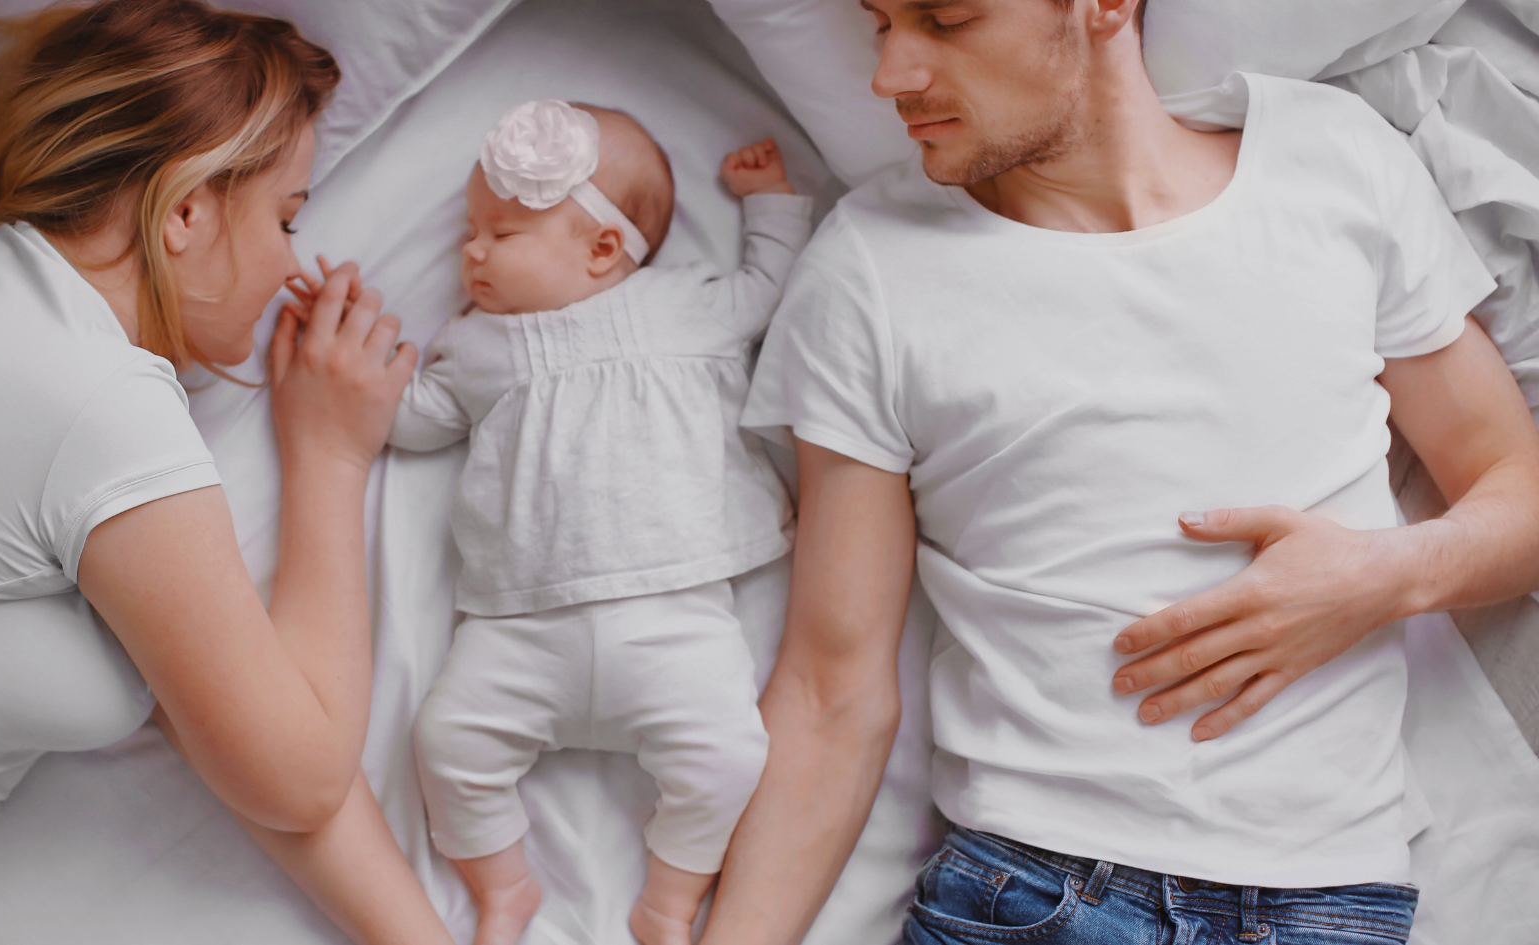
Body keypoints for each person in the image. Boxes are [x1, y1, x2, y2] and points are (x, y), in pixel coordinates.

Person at [701, 1, 1539, 943]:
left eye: (945, 20)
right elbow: (830, 693)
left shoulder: (1331, 158)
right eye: (881, 24)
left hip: (1330, 903)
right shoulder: (867, 266)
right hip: (1028, 890)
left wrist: (1384, 576)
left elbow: (1518, 488)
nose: (890, 75)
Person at [0, 3, 451, 942]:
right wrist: (330, 456)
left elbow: (214, 705)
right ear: (186, 211)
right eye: (286, 217)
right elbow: (297, 774)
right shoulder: (101, 402)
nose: (292, 264)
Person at [370, 99, 812, 945]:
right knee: (447, 743)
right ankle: (505, 891)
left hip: (673, 617)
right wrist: (369, 377)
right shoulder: (475, 346)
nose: (471, 250)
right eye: (470, 229)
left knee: (729, 758)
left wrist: (771, 204)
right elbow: (417, 421)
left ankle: (669, 903)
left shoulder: (685, 305)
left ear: (605, 247)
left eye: (500, 232)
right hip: (517, 632)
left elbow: (767, 289)